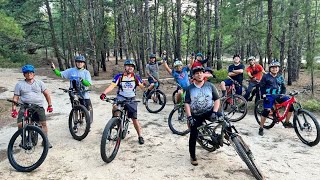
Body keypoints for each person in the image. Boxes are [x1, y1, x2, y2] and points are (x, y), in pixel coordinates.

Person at [99, 59, 145, 145]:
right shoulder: (119, 77)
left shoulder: (136, 77)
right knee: (115, 108)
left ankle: (140, 136)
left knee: (134, 119)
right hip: (121, 97)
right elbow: (112, 86)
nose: (130, 67)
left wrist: (148, 88)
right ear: (125, 67)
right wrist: (104, 93)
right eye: (128, 66)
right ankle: (114, 122)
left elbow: (143, 87)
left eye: (132, 66)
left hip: (131, 98)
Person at [184, 66, 221, 166]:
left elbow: (217, 99)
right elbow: (187, 103)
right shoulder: (189, 88)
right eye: (197, 73)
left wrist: (215, 111)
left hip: (210, 111)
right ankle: (193, 156)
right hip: (196, 115)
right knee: (193, 134)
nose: (199, 74)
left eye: (201, 72)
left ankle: (232, 137)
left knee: (224, 119)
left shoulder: (210, 86)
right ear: (194, 76)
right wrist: (189, 117)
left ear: (204, 74)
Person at [11, 64, 53, 148]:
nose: (29, 74)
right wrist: (14, 109)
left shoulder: (40, 83)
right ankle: (24, 139)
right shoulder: (19, 84)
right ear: (24, 74)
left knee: (43, 124)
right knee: (20, 124)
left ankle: (45, 140)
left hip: (38, 106)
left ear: (33, 74)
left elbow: (47, 94)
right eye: (26, 73)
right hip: (24, 106)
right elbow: (15, 97)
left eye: (30, 72)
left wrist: (50, 105)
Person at [51, 55, 93, 124]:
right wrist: (54, 69)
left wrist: (82, 80)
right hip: (73, 92)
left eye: (81, 62)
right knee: (75, 107)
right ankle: (75, 123)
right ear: (76, 63)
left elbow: (88, 84)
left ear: (84, 64)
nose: (79, 63)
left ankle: (87, 121)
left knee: (87, 108)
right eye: (78, 62)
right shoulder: (71, 71)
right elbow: (60, 74)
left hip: (83, 92)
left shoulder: (86, 72)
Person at [258, 60, 294, 136]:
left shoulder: (280, 76)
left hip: (279, 95)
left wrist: (283, 94)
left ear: (278, 68)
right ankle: (261, 127)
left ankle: (286, 122)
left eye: (276, 67)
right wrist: (264, 95)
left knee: (290, 105)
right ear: (270, 68)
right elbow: (261, 86)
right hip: (269, 95)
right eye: (273, 68)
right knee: (266, 110)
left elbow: (283, 87)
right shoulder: (266, 76)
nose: (275, 69)